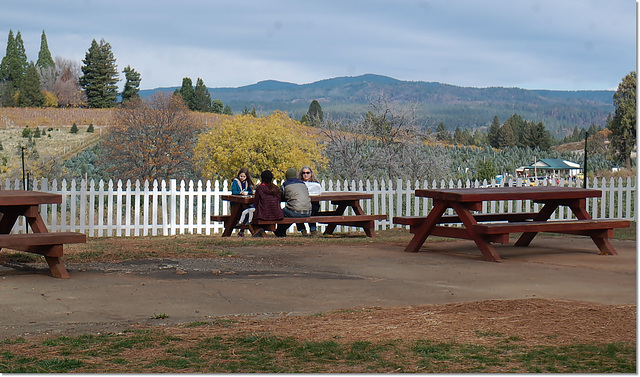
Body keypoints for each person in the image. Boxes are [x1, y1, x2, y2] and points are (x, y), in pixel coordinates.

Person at [275, 168, 312, 237]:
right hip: (308, 211)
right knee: (295, 209)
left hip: (295, 211)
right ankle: (302, 229)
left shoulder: (285, 184)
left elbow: (281, 195)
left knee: (282, 212)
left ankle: (280, 231)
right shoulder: (302, 183)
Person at [251, 170, 283, 237]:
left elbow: (256, 202)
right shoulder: (276, 188)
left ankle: (259, 231)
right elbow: (279, 201)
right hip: (276, 214)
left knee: (251, 217)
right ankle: (262, 231)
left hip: (263, 215)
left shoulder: (260, 188)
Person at [296, 166, 323, 236]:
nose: (306, 175)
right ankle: (302, 230)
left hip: (312, 205)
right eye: (304, 173)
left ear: (311, 174)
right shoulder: (298, 184)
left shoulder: (316, 184)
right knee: (295, 211)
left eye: (308, 173)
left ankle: (313, 229)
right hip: (300, 205)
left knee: (312, 209)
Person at [231, 167, 255, 237]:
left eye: (244, 176)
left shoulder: (247, 183)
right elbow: (233, 191)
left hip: (245, 201)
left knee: (248, 210)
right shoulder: (235, 182)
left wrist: (251, 192)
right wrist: (239, 192)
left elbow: (249, 190)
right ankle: (242, 229)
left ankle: (242, 230)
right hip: (236, 203)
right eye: (241, 176)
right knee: (244, 211)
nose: (242, 178)